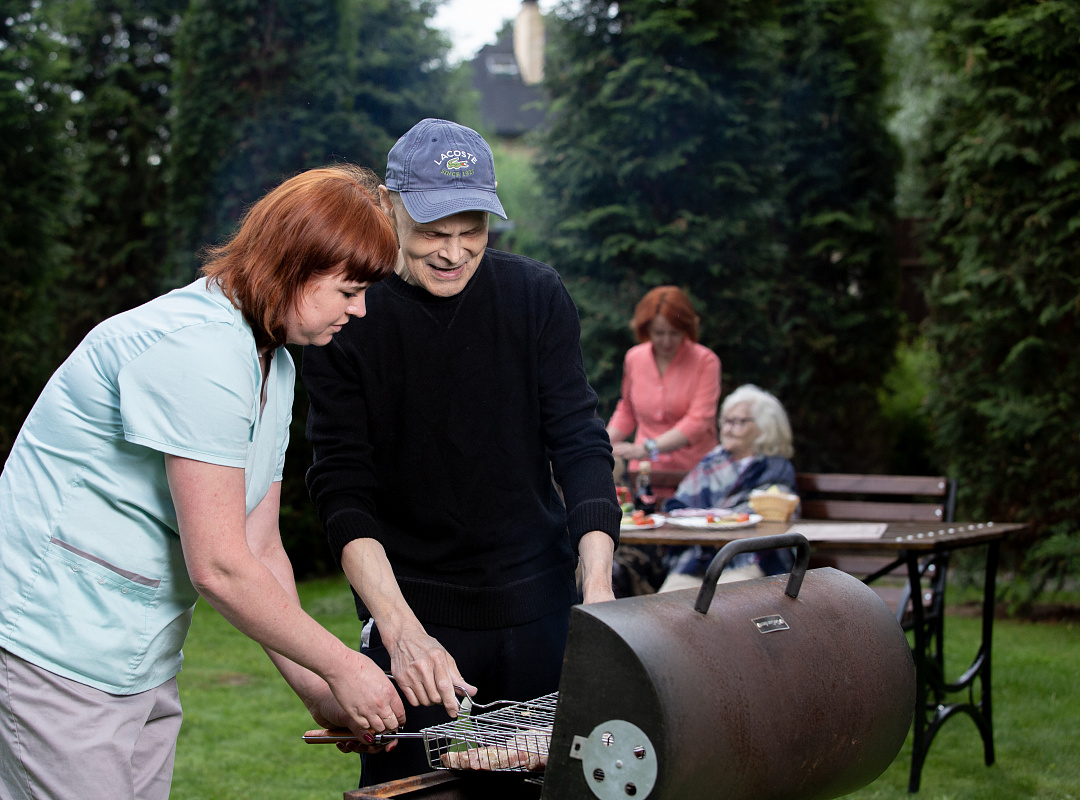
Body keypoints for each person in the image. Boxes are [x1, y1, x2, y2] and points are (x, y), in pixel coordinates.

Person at [0, 165, 407, 800]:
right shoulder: (198, 352)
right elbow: (218, 565)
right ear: (293, 265)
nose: (361, 309)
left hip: (136, 657)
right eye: (349, 290)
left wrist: (318, 690)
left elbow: (259, 547)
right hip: (46, 640)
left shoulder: (276, 364)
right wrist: (344, 665)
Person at [302, 118, 620, 786]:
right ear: (389, 206)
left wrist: (597, 588)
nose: (453, 253)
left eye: (470, 231)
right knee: (410, 792)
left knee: (553, 788)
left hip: (539, 608)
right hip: (413, 618)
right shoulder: (348, 315)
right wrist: (400, 631)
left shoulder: (536, 297)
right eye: (433, 233)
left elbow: (580, 444)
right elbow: (342, 489)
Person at [657, 384, 799, 593]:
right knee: (666, 604)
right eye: (726, 420)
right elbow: (680, 506)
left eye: (739, 422)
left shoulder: (775, 468)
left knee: (726, 604)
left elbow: (775, 516)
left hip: (749, 556)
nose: (728, 428)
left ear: (766, 427)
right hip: (697, 557)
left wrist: (714, 519)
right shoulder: (710, 463)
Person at [606, 286, 721, 487]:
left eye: (675, 333)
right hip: (644, 474)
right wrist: (602, 444)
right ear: (646, 329)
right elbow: (627, 410)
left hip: (694, 475)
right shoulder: (634, 358)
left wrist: (648, 448)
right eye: (659, 333)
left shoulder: (706, 361)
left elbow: (699, 420)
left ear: (687, 329)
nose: (666, 341)